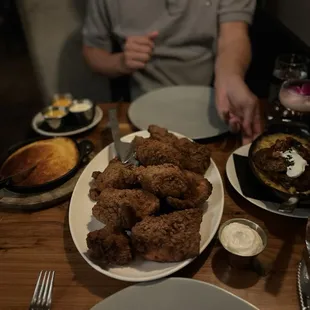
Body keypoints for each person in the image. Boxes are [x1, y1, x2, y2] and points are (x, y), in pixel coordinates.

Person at [83, 0, 262, 144]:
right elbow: (92, 52)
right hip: (139, 113)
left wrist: (230, 78)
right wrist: (121, 61)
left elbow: (234, 35)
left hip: (213, 108)